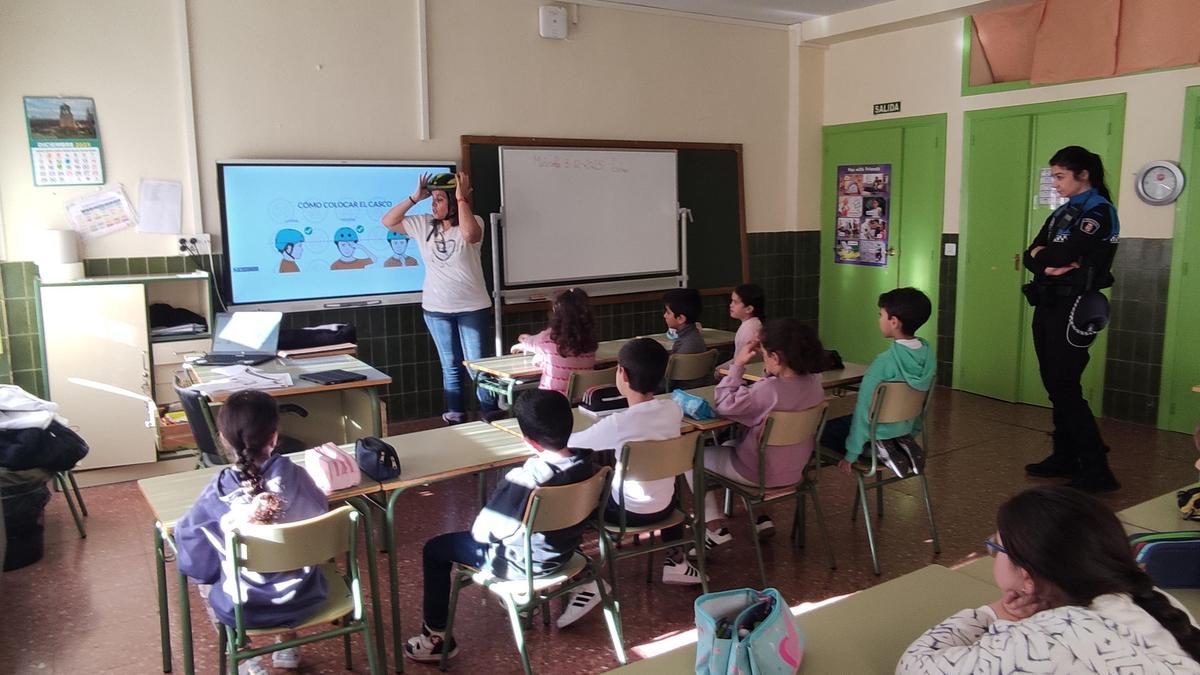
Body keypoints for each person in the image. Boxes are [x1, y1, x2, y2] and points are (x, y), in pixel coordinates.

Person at [896, 486, 1200, 674]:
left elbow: (913, 667)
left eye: (995, 547)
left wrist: (994, 614)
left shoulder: (1044, 641)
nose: (990, 552)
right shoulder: (1154, 600)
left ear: (1026, 577)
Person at [403, 389, 598, 663]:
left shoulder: (525, 479)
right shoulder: (588, 464)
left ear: (527, 439)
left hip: (521, 565)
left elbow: (482, 533)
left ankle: (435, 637)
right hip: (566, 556)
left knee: (435, 549)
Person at [175, 390, 329, 674]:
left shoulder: (218, 492)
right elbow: (322, 518)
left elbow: (193, 561)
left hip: (244, 607)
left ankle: (248, 663)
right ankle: (287, 647)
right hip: (307, 597)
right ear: (274, 436)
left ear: (222, 438)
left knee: (206, 583)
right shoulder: (298, 477)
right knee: (288, 560)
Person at [557, 338, 700, 629]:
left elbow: (571, 443)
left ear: (621, 374)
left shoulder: (620, 423)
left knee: (582, 480)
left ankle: (585, 580)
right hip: (668, 511)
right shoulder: (673, 410)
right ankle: (676, 560)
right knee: (661, 475)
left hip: (623, 514)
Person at [1022, 146, 1121, 493]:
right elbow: (1031, 253)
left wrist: (1050, 257)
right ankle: (1064, 455)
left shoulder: (1098, 210)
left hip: (1075, 305)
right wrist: (1045, 259)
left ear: (1084, 175)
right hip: (1048, 303)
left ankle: (1097, 469)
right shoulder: (1064, 212)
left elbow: (1058, 252)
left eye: (1060, 176)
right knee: (1053, 383)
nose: (1055, 183)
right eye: (1053, 176)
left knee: (1065, 385)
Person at [693, 318, 826, 550]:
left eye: (764, 354)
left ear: (775, 358)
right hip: (796, 471)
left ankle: (714, 528)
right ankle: (762, 518)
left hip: (759, 474)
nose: (762, 358)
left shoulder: (767, 390)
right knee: (738, 442)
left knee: (693, 457)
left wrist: (738, 364)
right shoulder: (815, 384)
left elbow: (723, 404)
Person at [382, 172, 498, 424]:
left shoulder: (473, 220)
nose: (433, 205)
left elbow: (471, 236)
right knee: (451, 365)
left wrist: (461, 198)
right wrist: (415, 198)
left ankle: (490, 414)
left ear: (454, 204)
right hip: (436, 308)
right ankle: (456, 414)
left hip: (473, 307)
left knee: (478, 364)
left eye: (439, 200)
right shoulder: (422, 223)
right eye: (432, 199)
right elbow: (388, 221)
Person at [820, 287, 935, 470]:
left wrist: (851, 454)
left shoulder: (883, 363)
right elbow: (922, 405)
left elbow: (864, 412)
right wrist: (911, 432)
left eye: (881, 315)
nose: (879, 319)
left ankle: (871, 448)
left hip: (876, 430)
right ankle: (897, 443)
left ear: (894, 322)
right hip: (904, 428)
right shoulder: (928, 356)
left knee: (819, 432)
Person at [510, 287, 598, 397]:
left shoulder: (549, 338)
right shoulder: (589, 339)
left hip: (551, 401)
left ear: (557, 312)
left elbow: (532, 343)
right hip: (581, 400)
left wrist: (520, 344)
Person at [663, 287, 710, 389]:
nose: (664, 316)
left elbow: (668, 383)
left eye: (668, 312)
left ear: (681, 319)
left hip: (679, 394)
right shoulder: (695, 337)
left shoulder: (686, 346)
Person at [716, 283, 765, 373]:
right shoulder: (755, 324)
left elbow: (740, 361)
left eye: (735, 302)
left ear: (749, 309)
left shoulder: (748, 329)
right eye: (731, 301)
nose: (731, 305)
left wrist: (720, 369)